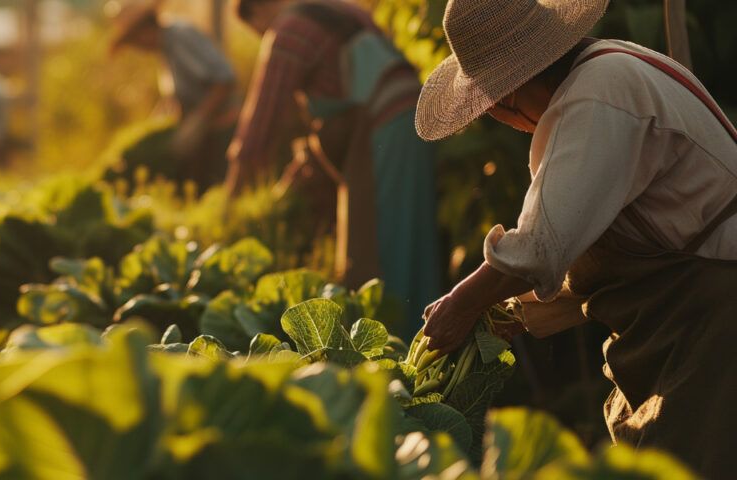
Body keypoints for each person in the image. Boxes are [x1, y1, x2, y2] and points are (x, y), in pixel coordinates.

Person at [416, 0, 737, 476]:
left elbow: (542, 246)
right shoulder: (599, 75)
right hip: (693, 319)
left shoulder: (597, 96)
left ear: (512, 90)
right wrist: (515, 313)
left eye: (494, 107)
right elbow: (598, 259)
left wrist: (463, 301)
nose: (504, 119)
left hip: (716, 323)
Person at [227, 0, 441, 331]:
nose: (260, 37)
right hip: (414, 114)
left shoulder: (287, 31)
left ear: (256, 11)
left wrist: (230, 203)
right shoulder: (337, 9)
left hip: (382, 126)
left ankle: (398, 348)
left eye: (255, 30)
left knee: (382, 245)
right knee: (413, 237)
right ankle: (430, 339)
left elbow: (260, 126)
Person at [108, 0, 238, 187]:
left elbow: (224, 79)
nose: (138, 49)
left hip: (225, 130)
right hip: (207, 137)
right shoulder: (166, 47)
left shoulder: (180, 37)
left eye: (136, 41)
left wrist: (198, 121)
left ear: (146, 29)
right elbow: (178, 94)